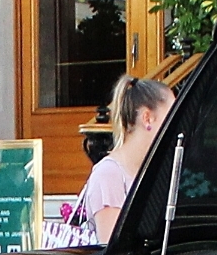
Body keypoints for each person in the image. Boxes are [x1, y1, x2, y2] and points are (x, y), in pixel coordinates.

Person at [75, 75, 176, 244]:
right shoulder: (109, 175)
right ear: (147, 118)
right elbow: (114, 253)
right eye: (172, 114)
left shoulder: (158, 169)